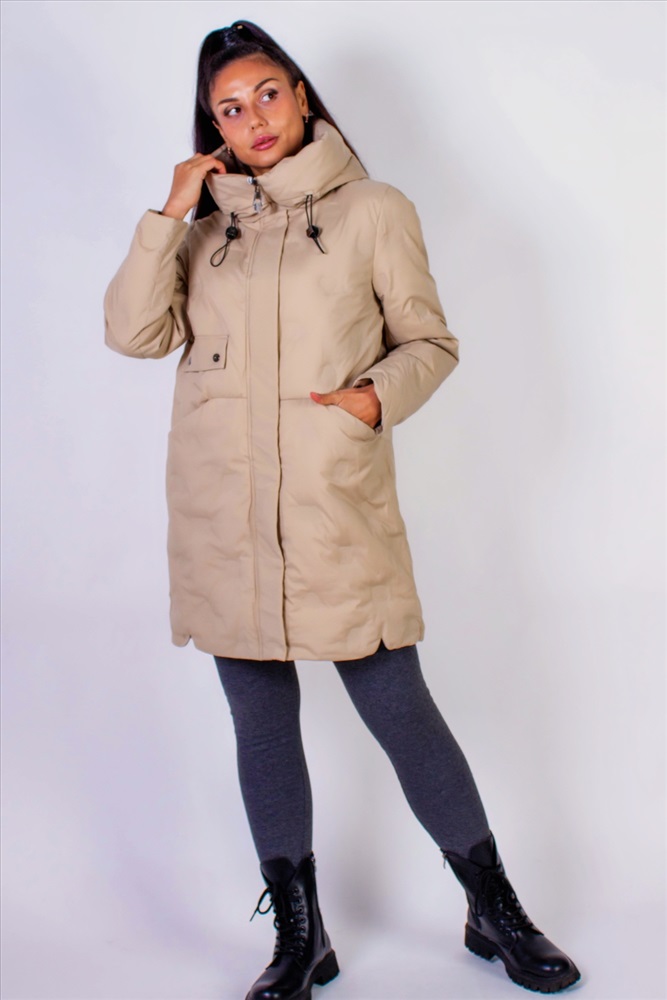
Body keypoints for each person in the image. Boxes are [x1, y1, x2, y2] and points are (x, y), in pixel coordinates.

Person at [104, 20, 581, 1000]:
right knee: (260, 722)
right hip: (223, 519)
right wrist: (169, 211)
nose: (253, 119)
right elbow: (133, 334)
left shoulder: (373, 210)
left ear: (300, 95)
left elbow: (429, 343)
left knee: (398, 707)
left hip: (332, 506)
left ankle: (493, 907)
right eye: (229, 109)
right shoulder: (200, 236)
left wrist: (370, 400)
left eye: (266, 94)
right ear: (212, 127)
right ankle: (300, 935)